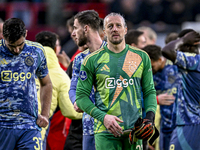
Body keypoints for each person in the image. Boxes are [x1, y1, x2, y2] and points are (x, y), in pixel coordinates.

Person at [76, 12, 157, 150]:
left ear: (125, 30)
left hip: (134, 131)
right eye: (110, 26)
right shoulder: (91, 60)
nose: (114, 29)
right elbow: (81, 97)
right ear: (104, 31)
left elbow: (149, 91)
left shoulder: (141, 57)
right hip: (105, 131)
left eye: (118, 25)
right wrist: (103, 117)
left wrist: (149, 118)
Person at [0, 18, 52, 150]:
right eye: (12, 45)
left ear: (26, 34)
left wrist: (45, 114)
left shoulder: (36, 51)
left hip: (29, 125)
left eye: (20, 45)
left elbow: (46, 83)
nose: (17, 50)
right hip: (3, 125)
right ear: (3, 36)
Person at [35, 31, 83, 150]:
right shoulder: (60, 75)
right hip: (40, 128)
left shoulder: (24, 66)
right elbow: (70, 112)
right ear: (56, 48)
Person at [68, 10, 107, 150]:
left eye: (75, 27)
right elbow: (72, 88)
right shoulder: (79, 59)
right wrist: (76, 101)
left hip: (110, 128)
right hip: (89, 127)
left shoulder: (113, 55)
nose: (73, 33)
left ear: (86, 28)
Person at [162, 29, 200, 150]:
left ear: (189, 47)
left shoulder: (194, 61)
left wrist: (182, 40)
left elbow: (166, 50)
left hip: (190, 123)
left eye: (180, 46)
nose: (177, 50)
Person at [143, 45, 177, 150]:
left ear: (159, 59)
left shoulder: (177, 68)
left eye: (152, 66)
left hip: (179, 125)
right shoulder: (148, 74)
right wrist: (156, 99)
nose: (150, 69)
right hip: (162, 127)